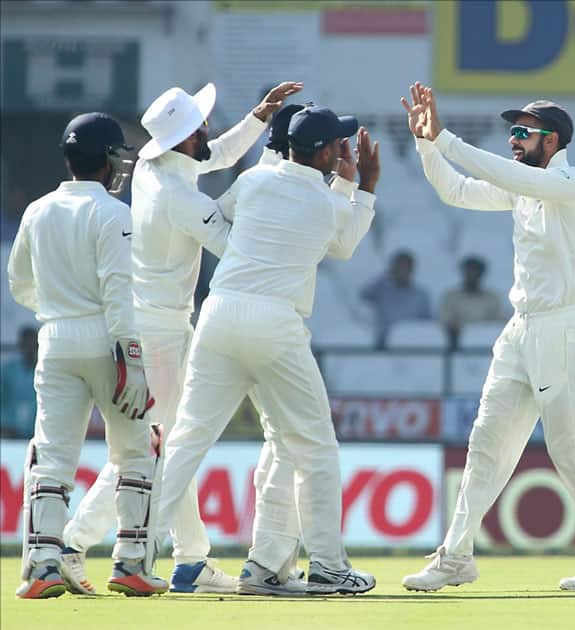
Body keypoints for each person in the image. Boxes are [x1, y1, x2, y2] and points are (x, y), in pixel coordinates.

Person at [60, 80, 303, 595]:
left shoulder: (158, 168)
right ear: (186, 137)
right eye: (200, 126)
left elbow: (217, 154)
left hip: (152, 325)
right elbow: (237, 247)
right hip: (161, 333)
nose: (208, 131)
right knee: (149, 450)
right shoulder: (177, 195)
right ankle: (72, 543)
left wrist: (259, 117)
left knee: (173, 444)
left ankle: (191, 559)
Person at [400, 83, 575, 592]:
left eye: (522, 133)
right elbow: (455, 191)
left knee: (570, 446)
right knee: (486, 441)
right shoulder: (523, 186)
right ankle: (456, 554)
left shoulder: (573, 184)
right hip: (520, 328)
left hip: (561, 326)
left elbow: (498, 172)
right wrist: (425, 142)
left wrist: (446, 138)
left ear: (551, 142)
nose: (514, 140)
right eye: (512, 132)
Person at [156, 106, 380, 596]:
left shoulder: (255, 181)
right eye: (337, 145)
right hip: (275, 323)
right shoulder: (326, 203)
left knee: (188, 438)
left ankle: (135, 550)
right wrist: (363, 185)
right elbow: (343, 244)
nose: (342, 150)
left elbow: (222, 217)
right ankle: (327, 567)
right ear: (323, 151)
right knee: (315, 449)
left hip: (219, 312)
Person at [8, 113, 164, 598]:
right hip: (105, 341)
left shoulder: (37, 210)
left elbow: (19, 285)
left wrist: (58, 311)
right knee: (137, 449)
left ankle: (42, 566)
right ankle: (132, 563)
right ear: (105, 160)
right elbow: (120, 295)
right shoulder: (114, 213)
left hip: (55, 340)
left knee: (51, 455)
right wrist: (132, 362)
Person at [361, 249, 431, 347]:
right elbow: (363, 296)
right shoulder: (380, 289)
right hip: (384, 343)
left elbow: (426, 322)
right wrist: (385, 276)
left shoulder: (421, 295)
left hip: (412, 342)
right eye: (399, 267)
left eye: (406, 267)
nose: (403, 271)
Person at [439, 256, 505, 348]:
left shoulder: (492, 298)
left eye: (475, 272)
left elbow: (499, 323)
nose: (472, 276)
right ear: (463, 273)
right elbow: (445, 320)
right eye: (468, 272)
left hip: (486, 346)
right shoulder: (451, 297)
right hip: (457, 346)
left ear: (482, 274)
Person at [0, 326, 38, 438]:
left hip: (39, 430)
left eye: (33, 345)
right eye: (26, 345)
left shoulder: (48, 372)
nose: (30, 349)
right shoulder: (8, 370)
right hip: (9, 429)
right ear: (20, 346)